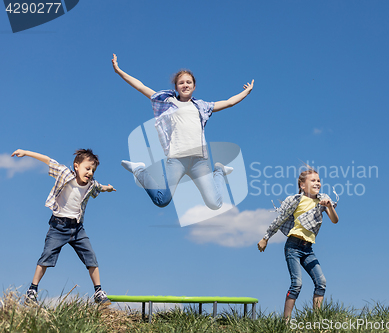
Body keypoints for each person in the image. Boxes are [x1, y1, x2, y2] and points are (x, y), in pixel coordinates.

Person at [112, 54, 254, 210]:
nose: (185, 85)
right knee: (161, 200)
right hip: (177, 160)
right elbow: (141, 86)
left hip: (199, 161)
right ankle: (139, 170)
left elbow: (229, 103)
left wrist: (246, 92)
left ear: (194, 86)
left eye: (188, 82)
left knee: (215, 204)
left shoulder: (202, 106)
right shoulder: (168, 102)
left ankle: (218, 171)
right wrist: (119, 71)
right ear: (176, 87)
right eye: (181, 83)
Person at [11, 148, 116, 305]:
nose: (90, 172)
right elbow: (47, 159)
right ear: (76, 166)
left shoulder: (91, 185)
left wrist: (108, 188)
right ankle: (32, 290)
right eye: (87, 168)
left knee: (91, 257)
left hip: (78, 228)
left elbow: (100, 187)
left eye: (93, 170)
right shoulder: (64, 173)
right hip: (58, 227)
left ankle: (98, 291)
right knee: (46, 256)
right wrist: (25, 153)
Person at [257, 168, 339, 320]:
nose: (317, 183)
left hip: (308, 248)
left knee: (321, 282)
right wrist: (265, 238)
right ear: (302, 185)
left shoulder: (323, 200)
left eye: (319, 180)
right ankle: (286, 321)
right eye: (313, 180)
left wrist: (329, 206)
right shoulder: (296, 200)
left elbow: (335, 220)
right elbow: (279, 220)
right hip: (293, 247)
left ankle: (317, 320)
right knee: (297, 284)